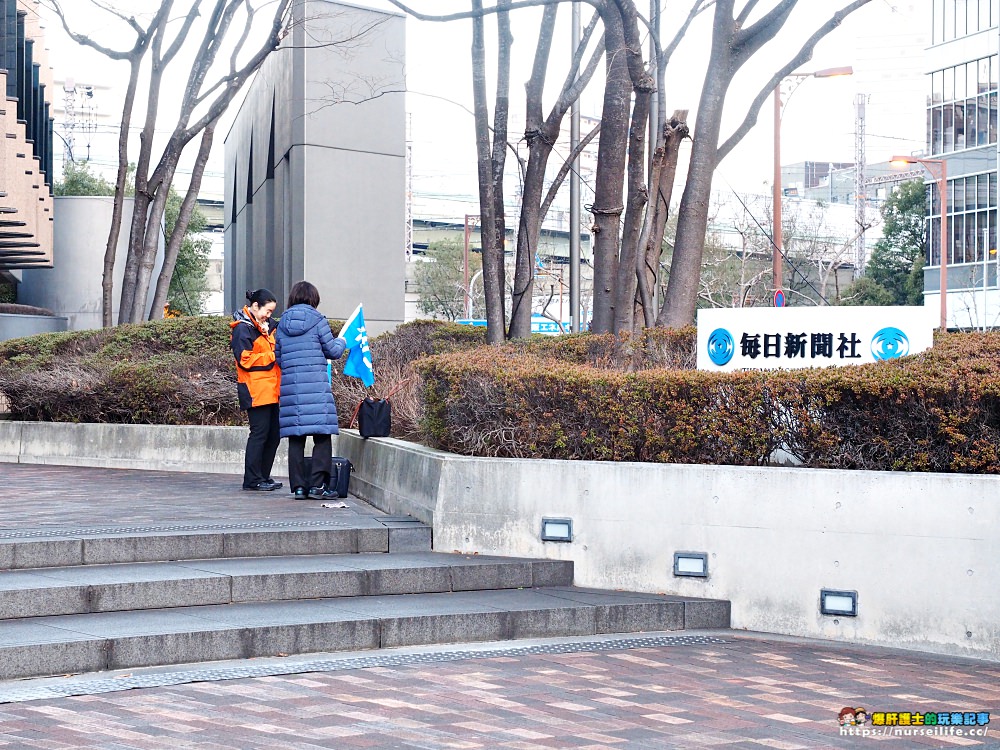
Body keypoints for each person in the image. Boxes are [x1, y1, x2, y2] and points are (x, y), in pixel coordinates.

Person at [274, 280, 347, 499]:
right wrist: (342, 341)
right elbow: (333, 351)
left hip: (291, 389)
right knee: (322, 436)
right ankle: (318, 486)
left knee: (296, 439)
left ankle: (298, 488)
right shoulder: (318, 321)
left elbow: (278, 358)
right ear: (313, 299)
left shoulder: (282, 324)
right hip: (315, 387)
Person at [231, 288, 282, 492]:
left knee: (273, 434)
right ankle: (252, 479)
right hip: (255, 390)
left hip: (272, 389)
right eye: (267, 311)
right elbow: (244, 360)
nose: (269, 315)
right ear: (254, 306)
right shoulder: (242, 329)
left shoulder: (268, 327)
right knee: (260, 433)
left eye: (271, 312)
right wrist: (272, 356)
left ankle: (263, 475)